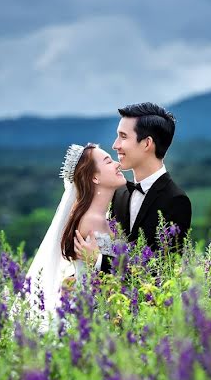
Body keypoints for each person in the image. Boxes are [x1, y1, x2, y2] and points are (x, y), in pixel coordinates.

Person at [75, 102, 192, 272]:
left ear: (147, 143)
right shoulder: (120, 192)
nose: (115, 145)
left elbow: (163, 273)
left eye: (123, 136)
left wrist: (99, 261)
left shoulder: (176, 201)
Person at [26, 143, 126, 315]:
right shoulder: (91, 221)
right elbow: (104, 277)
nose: (117, 164)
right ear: (95, 177)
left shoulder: (101, 217)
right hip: (95, 312)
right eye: (108, 162)